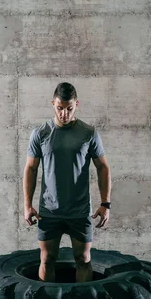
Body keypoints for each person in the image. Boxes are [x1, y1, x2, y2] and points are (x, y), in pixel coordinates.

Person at [23, 82, 111, 282]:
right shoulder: (41, 133)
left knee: (83, 259)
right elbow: (31, 168)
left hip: (79, 211)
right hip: (49, 210)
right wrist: (27, 205)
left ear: (76, 104)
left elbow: (103, 167)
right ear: (53, 103)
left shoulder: (88, 133)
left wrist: (105, 203)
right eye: (60, 108)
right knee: (47, 259)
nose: (64, 113)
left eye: (69, 108)